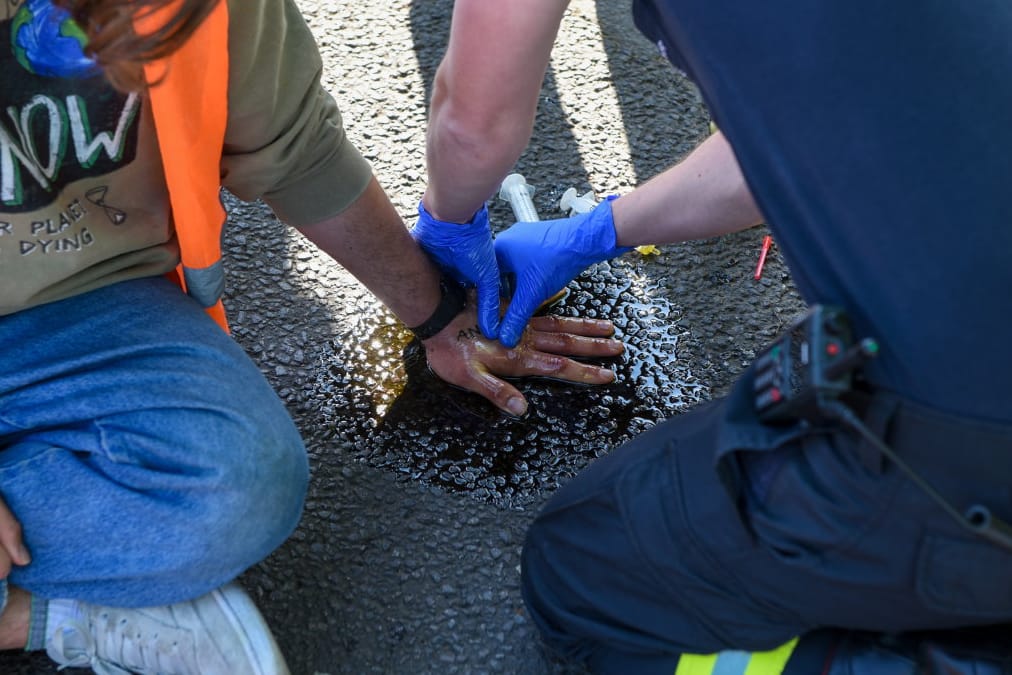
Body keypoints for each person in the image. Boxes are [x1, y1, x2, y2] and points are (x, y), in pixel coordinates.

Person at [0, 0, 626, 673]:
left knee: (241, 483)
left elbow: (296, 151)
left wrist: (438, 315)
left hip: (73, 306)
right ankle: (29, 615)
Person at [414, 0, 1012, 672]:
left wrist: (449, 223)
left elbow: (471, 128)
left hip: (968, 438)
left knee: (582, 576)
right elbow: (789, 135)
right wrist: (600, 230)